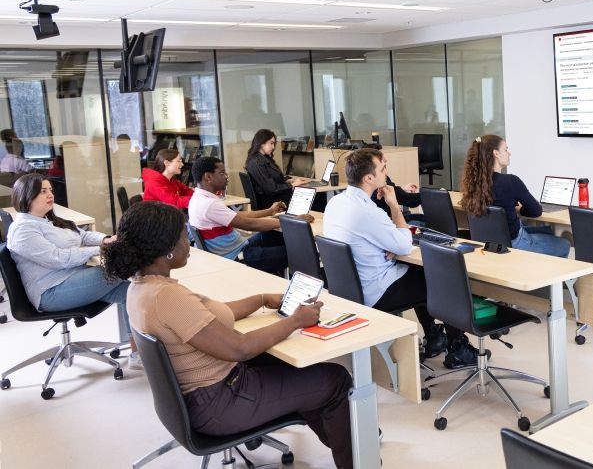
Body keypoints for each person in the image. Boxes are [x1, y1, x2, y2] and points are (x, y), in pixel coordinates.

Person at [103, 201, 353, 469]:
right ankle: (357, 457)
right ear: (166, 250)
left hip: (205, 396)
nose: (189, 243)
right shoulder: (167, 297)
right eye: (184, 238)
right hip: (221, 404)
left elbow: (209, 315)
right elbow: (240, 348)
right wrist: (296, 321)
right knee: (335, 379)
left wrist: (261, 299)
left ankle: (351, 443)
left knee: (294, 367)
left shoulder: (143, 287)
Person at [322, 148, 478, 369]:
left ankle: (434, 336)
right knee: (442, 277)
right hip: (376, 291)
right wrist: (395, 206)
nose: (387, 172)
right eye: (383, 168)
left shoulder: (336, 203)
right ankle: (458, 349)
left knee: (419, 273)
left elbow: (387, 241)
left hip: (350, 289)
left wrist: (393, 243)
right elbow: (404, 244)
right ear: (368, 178)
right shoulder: (368, 212)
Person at [5, 173, 139, 366]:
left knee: (132, 291)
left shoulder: (47, 219)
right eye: (43, 191)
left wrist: (106, 239)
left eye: (50, 190)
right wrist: (101, 249)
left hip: (73, 278)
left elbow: (82, 236)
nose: (50, 194)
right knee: (118, 266)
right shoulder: (22, 230)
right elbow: (57, 259)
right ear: (26, 195)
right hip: (51, 292)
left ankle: (137, 353)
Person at [188, 156, 311, 275]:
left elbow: (236, 215)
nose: (226, 176)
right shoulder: (209, 204)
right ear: (208, 177)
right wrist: (291, 221)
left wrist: (269, 211)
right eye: (222, 173)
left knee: (274, 234)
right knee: (300, 253)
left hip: (238, 247)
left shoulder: (199, 198)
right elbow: (248, 224)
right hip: (237, 257)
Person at [460, 135, 570, 258]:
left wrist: (511, 207)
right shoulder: (510, 181)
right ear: (496, 153)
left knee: (546, 231)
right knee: (564, 244)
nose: (509, 153)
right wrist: (520, 209)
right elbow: (536, 211)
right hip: (514, 244)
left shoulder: (472, 184)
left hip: (486, 245)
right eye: (506, 149)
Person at [244, 129, 310, 209]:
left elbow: (271, 178)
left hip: (275, 198)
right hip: (272, 201)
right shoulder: (257, 162)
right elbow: (271, 189)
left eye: (274, 144)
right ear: (261, 143)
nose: (273, 147)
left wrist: (287, 180)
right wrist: (292, 185)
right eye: (271, 143)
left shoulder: (263, 158)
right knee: (315, 197)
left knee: (312, 195)